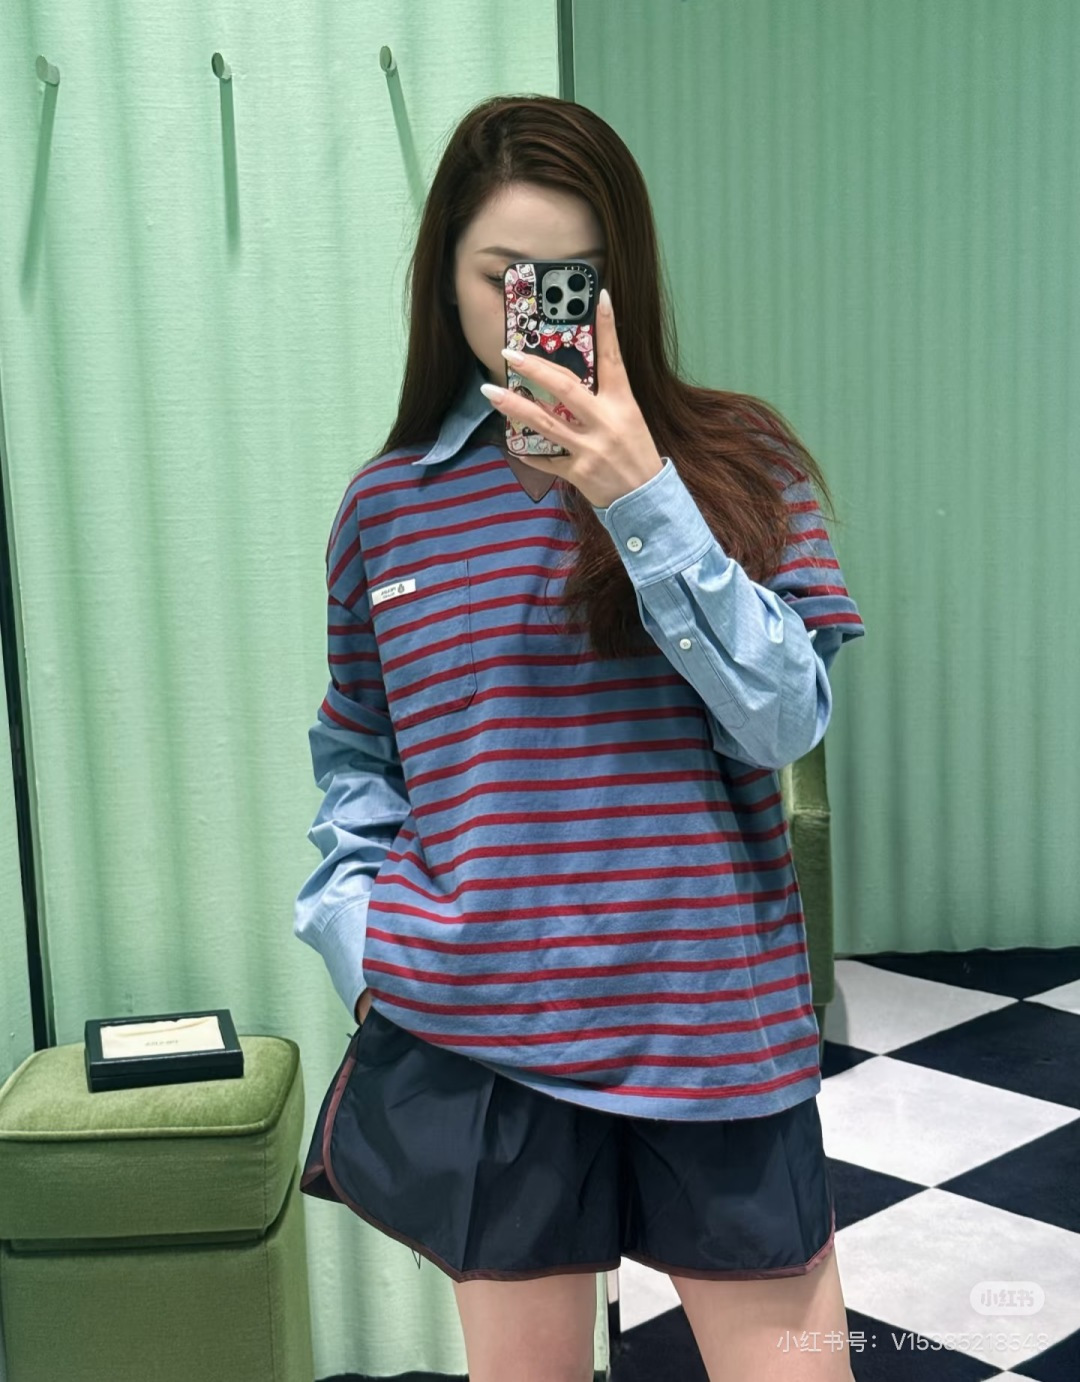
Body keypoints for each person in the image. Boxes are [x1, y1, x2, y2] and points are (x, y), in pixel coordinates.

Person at [295, 93, 865, 1382]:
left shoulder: (739, 459)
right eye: (506, 276)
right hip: (485, 1034)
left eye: (574, 280)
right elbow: (361, 755)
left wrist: (638, 493)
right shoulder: (388, 507)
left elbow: (786, 718)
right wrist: (361, 939)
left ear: (625, 282)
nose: (538, 309)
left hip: (710, 1026)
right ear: (446, 280)